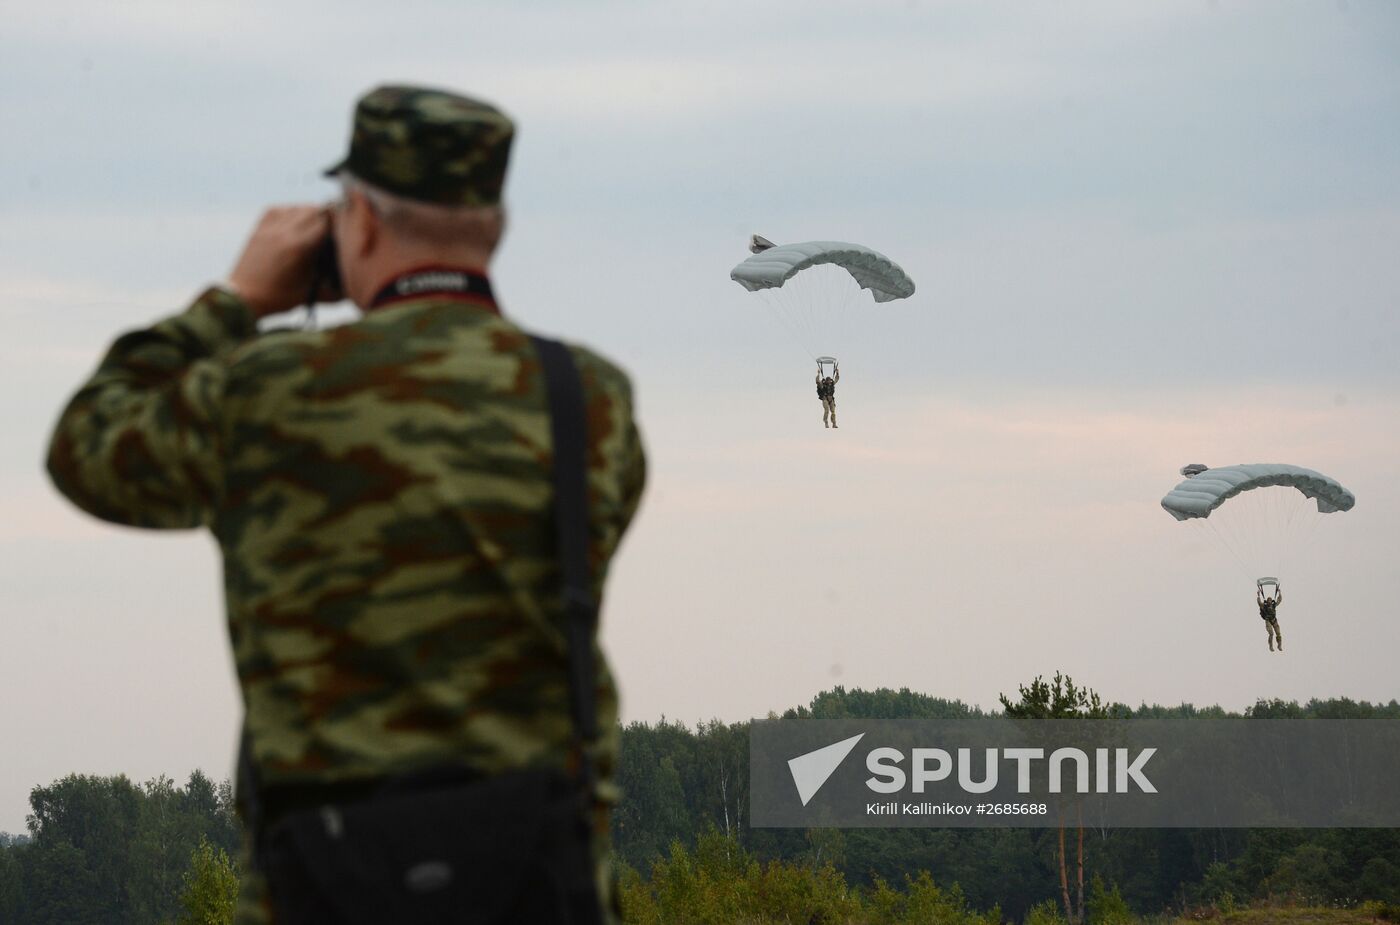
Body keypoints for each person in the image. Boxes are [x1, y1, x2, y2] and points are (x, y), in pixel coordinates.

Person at [45, 85, 645, 924]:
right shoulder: (587, 398)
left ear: (357, 220)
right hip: (540, 880)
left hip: (323, 881)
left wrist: (238, 300)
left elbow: (86, 446)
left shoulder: (269, 389)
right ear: (495, 226)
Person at [1257, 585, 1283, 652]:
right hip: (1268, 620)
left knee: (1278, 633)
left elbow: (1279, 600)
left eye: (1270, 600)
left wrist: (1279, 592)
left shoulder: (1274, 605)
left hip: (1274, 620)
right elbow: (1259, 603)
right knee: (1271, 633)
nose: (1269, 601)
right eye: (1268, 600)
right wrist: (1258, 595)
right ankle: (1271, 646)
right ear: (1267, 601)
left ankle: (1279, 645)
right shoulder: (1264, 606)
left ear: (1271, 601)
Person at [816, 361, 839, 428]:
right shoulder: (823, 385)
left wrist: (837, 373)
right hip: (825, 399)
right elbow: (817, 381)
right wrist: (818, 374)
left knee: (833, 412)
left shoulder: (832, 384)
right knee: (827, 410)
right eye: (828, 381)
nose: (829, 382)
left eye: (829, 381)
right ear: (826, 381)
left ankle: (834, 423)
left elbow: (836, 379)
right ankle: (826, 422)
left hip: (831, 399)